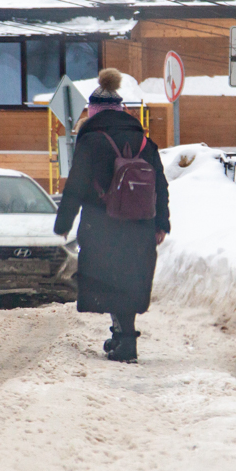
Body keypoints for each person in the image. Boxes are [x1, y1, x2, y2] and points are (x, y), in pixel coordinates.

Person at [53, 68, 170, 363]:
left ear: (93, 112)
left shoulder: (90, 141)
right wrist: (161, 223)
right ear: (122, 110)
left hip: (102, 225)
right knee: (130, 279)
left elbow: (76, 184)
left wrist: (64, 222)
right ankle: (121, 336)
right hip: (141, 224)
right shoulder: (145, 142)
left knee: (109, 280)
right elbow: (160, 184)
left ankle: (126, 341)